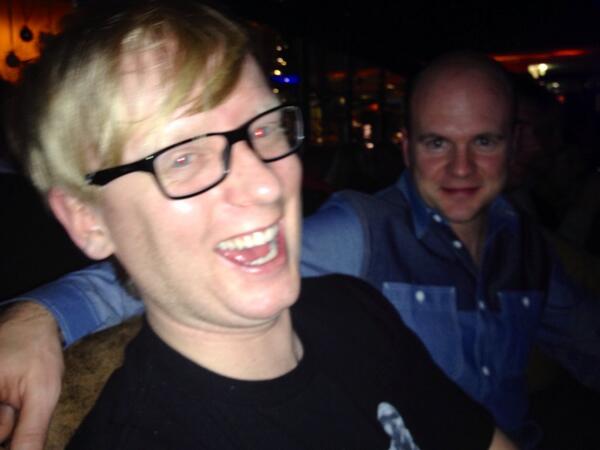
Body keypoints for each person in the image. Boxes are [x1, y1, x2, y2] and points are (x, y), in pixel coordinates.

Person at [0, 46, 592, 447]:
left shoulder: (529, 245)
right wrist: (40, 315)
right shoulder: (362, 231)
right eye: (438, 142)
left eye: (483, 141)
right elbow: (186, 272)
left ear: (513, 146)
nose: (461, 167)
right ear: (406, 147)